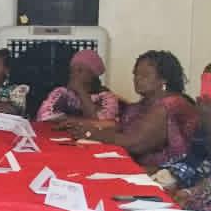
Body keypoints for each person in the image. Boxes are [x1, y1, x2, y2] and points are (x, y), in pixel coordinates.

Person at [68, 50, 198, 170]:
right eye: (135, 74)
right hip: (140, 169)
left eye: (145, 75)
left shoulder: (171, 104)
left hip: (165, 177)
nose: (137, 79)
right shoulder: (143, 104)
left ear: (164, 79)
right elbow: (119, 127)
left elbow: (135, 143)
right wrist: (78, 124)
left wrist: (91, 134)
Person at [36, 49, 120, 125]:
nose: (73, 74)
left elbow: (105, 124)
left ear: (93, 75)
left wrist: (81, 91)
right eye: (71, 70)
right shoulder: (62, 92)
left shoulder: (107, 97)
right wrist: (81, 121)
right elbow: (43, 116)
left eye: (80, 70)